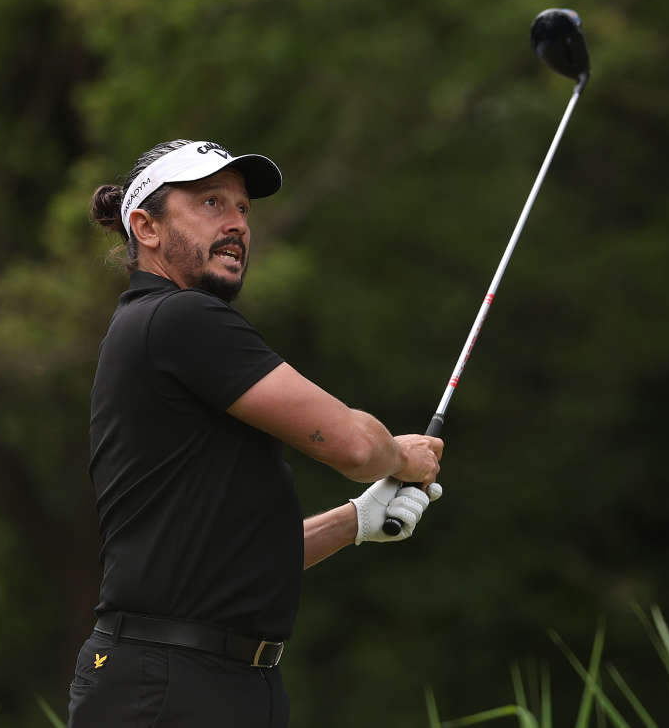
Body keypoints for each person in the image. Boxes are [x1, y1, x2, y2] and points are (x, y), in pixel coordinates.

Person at [67, 138, 444, 728]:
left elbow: (226, 560)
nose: (237, 224)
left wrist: (355, 521)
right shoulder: (179, 318)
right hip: (169, 683)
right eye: (211, 203)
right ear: (146, 227)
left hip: (215, 681)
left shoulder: (160, 328)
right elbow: (352, 445)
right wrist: (402, 457)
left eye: (243, 209)